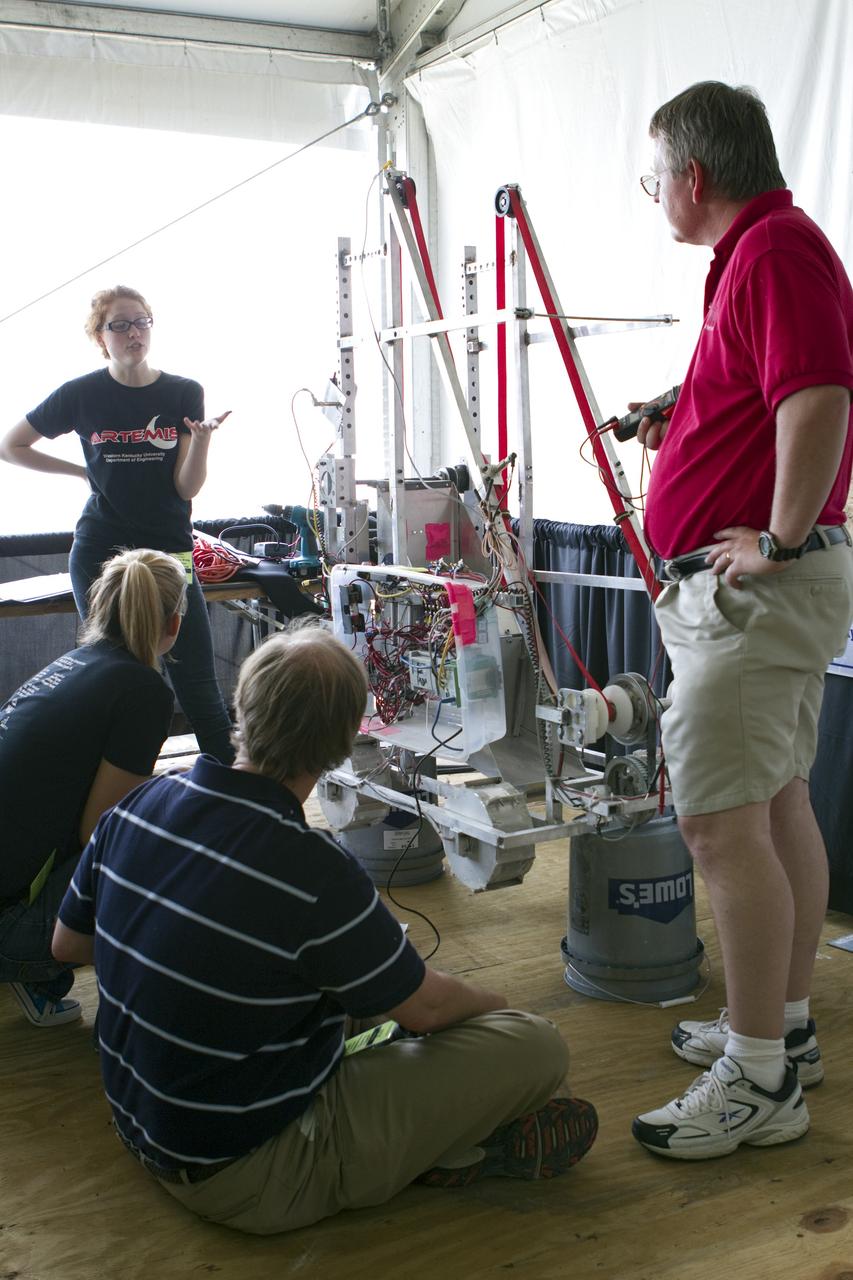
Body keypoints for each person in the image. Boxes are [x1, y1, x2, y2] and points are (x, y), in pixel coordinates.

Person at [52, 624, 597, 1233]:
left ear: (243, 707)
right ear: (341, 745)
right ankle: (442, 1150)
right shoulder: (311, 869)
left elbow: (67, 945)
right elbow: (426, 1010)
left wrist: (182, 949)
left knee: (352, 983)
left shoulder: (140, 804)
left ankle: (426, 1133)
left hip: (140, 1119)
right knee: (537, 1046)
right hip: (244, 1175)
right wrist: (496, 1012)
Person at [628, 81, 853, 1160]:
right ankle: (784, 1027)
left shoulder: (772, 251)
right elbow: (766, 398)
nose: (651, 190)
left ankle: (757, 1076)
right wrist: (682, 420)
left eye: (652, 172)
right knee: (770, 806)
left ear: (694, 176)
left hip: (751, 595)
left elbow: (817, 397)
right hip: (753, 597)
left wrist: (780, 538)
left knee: (716, 825)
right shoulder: (757, 256)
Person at [0, 285, 234, 763]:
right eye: (120, 324)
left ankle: (231, 798)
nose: (133, 333)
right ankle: (114, 800)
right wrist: (81, 472)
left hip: (171, 552)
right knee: (116, 676)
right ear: (99, 336)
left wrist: (203, 442)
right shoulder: (81, 394)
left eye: (142, 321)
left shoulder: (182, 391)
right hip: (101, 554)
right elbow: (12, 445)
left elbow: (186, 489)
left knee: (195, 681)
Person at [1, 547, 186, 1028]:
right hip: (9, 925)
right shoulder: (144, 693)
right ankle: (122, 1010)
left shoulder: (72, 664)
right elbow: (101, 834)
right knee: (159, 851)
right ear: (174, 625)